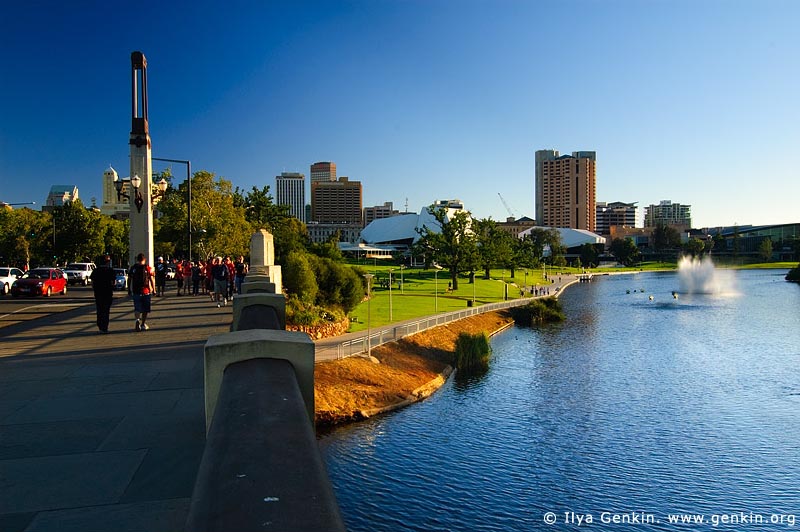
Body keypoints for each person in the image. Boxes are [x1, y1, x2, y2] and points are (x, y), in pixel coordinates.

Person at [129, 252, 155, 331]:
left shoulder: (133, 268)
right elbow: (151, 279)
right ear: (144, 259)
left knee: (137, 308)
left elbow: (129, 278)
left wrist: (129, 290)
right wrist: (154, 289)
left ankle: (137, 320)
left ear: (137, 259)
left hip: (136, 291)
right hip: (145, 291)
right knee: (145, 309)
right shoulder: (147, 268)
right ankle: (143, 323)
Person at [89, 255, 116, 333]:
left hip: (98, 293)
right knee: (106, 310)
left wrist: (95, 289)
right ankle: (105, 327)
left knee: (99, 309)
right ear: (107, 262)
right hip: (107, 293)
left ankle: (100, 325)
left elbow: (92, 282)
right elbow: (113, 282)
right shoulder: (110, 271)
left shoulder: (96, 271)